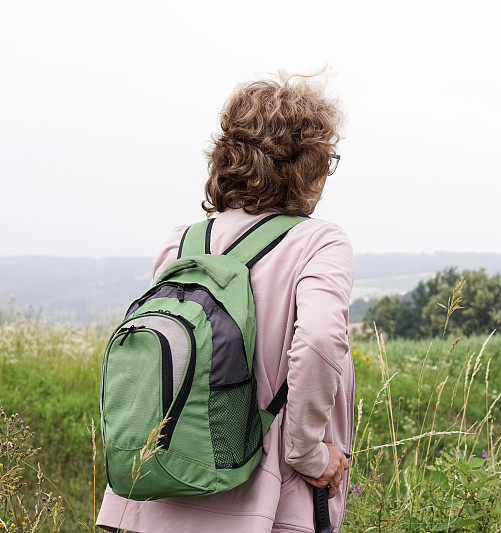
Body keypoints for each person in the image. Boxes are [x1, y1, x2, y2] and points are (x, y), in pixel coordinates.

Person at [96, 72, 354, 533]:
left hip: (163, 491)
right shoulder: (317, 242)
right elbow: (318, 340)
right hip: (269, 504)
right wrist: (309, 454)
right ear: (311, 160)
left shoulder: (184, 242)